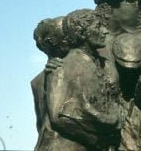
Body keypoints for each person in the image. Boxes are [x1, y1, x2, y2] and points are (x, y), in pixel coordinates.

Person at [46, 9, 122, 150]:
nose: (105, 31)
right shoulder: (62, 67)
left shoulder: (104, 63)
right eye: (98, 26)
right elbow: (58, 118)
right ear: (82, 33)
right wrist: (96, 140)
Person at [31, 16, 86, 151]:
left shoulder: (37, 80)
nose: (71, 38)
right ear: (52, 41)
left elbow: (40, 126)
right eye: (65, 34)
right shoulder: (60, 74)